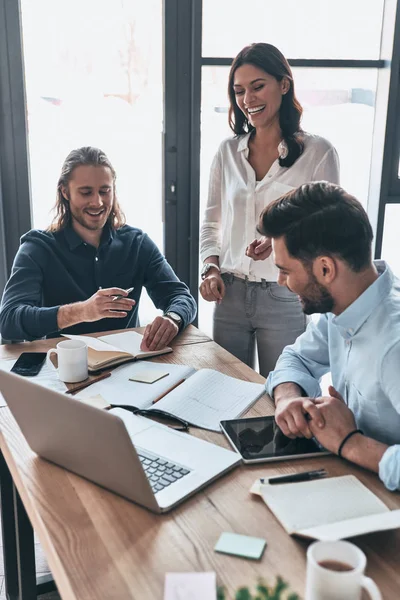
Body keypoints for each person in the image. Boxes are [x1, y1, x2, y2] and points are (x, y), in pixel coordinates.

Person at [199, 42, 340, 378]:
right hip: (228, 296)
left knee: (285, 394)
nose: (248, 100)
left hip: (286, 294)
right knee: (226, 394)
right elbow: (211, 223)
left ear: (284, 85)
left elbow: (331, 229)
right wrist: (210, 269)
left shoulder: (318, 152)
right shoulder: (227, 152)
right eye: (239, 91)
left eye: (257, 86)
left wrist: (282, 240)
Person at [260, 181, 400, 491]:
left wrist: (350, 442)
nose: (281, 282)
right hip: (350, 480)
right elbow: (295, 357)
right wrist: (288, 398)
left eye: (284, 270)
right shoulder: (342, 304)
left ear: (325, 269)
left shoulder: (394, 347)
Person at [0, 147, 196, 350]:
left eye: (104, 191)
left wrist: (173, 318)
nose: (97, 202)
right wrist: (83, 311)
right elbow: (8, 321)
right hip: (60, 369)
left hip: (127, 367)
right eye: (86, 192)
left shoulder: (137, 243)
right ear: (65, 192)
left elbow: (181, 296)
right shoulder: (37, 248)